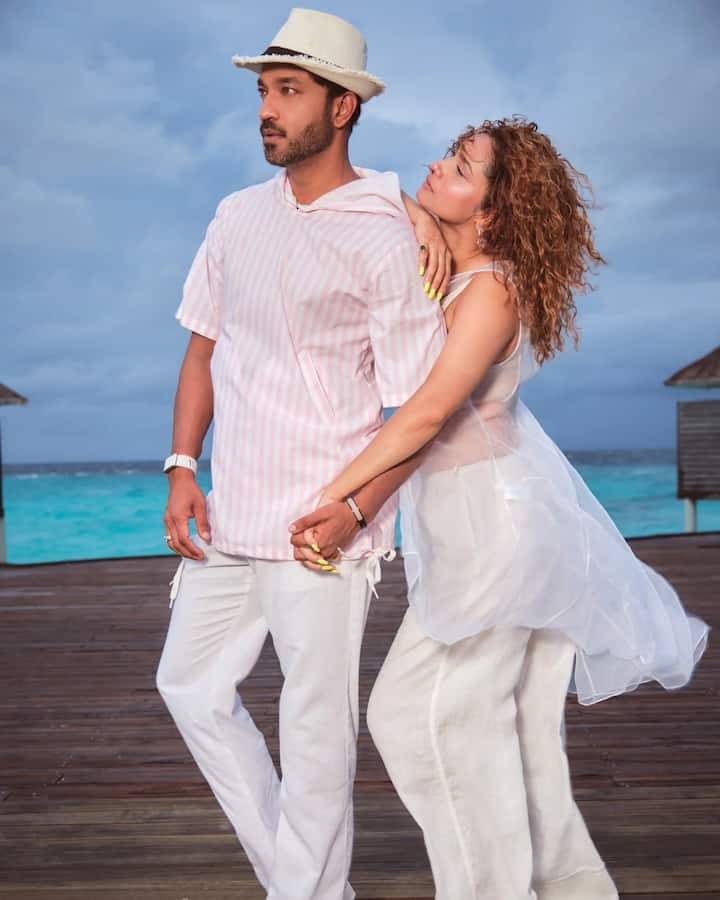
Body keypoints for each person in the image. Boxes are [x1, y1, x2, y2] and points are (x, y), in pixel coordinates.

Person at [289, 117, 710, 899]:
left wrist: (338, 498)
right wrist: (421, 213)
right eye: (444, 157)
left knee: (421, 719)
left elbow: (424, 414)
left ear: (493, 209)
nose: (434, 167)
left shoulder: (494, 288)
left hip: (498, 529)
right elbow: (383, 193)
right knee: (510, 732)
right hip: (474, 522)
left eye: (458, 168)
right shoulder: (455, 269)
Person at [155, 9, 450, 900]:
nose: (267, 111)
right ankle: (308, 883)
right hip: (231, 510)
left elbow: (417, 409)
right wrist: (180, 466)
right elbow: (203, 345)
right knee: (189, 687)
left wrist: (357, 509)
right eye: (263, 93)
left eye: (288, 92)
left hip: (325, 519)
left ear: (342, 107)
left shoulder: (386, 234)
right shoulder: (235, 215)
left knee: (316, 728)